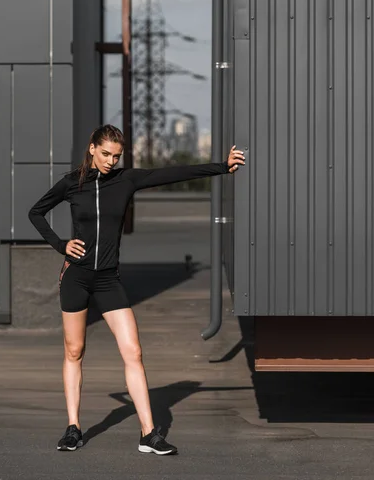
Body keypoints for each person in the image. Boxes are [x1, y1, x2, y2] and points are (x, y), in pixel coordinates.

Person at [28, 124, 245, 456]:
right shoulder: (72, 183)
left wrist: (221, 166)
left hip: (108, 280)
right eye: (105, 154)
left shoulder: (126, 179)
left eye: (116, 156)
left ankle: (148, 433)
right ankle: (73, 428)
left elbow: (172, 173)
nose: (111, 161)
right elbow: (36, 212)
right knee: (74, 351)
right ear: (92, 149)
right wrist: (61, 245)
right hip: (77, 277)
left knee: (134, 352)